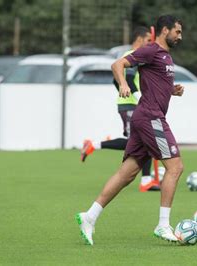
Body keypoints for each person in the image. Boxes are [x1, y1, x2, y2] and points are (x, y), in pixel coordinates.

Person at [76, 15, 185, 245]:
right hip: (151, 118)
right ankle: (163, 225)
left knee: (127, 174)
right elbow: (117, 64)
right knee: (175, 167)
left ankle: (89, 216)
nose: (180, 36)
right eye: (177, 31)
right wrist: (124, 83)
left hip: (145, 117)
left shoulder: (165, 56)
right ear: (165, 30)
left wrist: (171, 90)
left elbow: (155, 83)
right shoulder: (151, 50)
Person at [80, 26, 159, 192]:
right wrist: (137, 98)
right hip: (131, 105)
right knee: (139, 141)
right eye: (148, 41)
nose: (150, 44)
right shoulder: (133, 56)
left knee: (143, 140)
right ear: (139, 39)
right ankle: (94, 145)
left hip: (131, 104)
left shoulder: (130, 56)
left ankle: (146, 179)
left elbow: (116, 81)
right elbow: (127, 79)